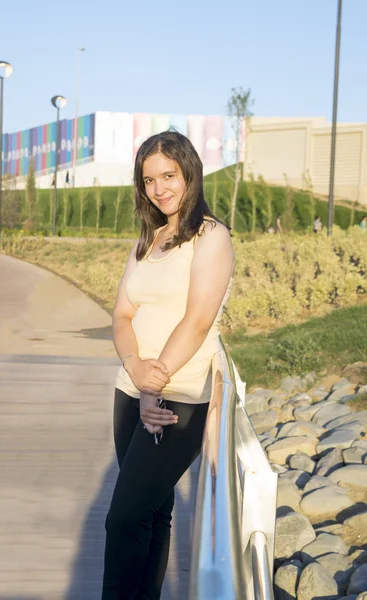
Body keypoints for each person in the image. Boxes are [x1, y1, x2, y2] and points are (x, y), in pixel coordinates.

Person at [102, 129, 234, 599]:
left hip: (176, 395)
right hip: (130, 388)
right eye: (149, 180)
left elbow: (197, 321)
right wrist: (135, 366)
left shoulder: (211, 236)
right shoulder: (149, 240)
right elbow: (121, 315)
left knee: (123, 519)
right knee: (153, 512)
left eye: (169, 175)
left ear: (189, 172)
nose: (160, 189)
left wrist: (153, 386)